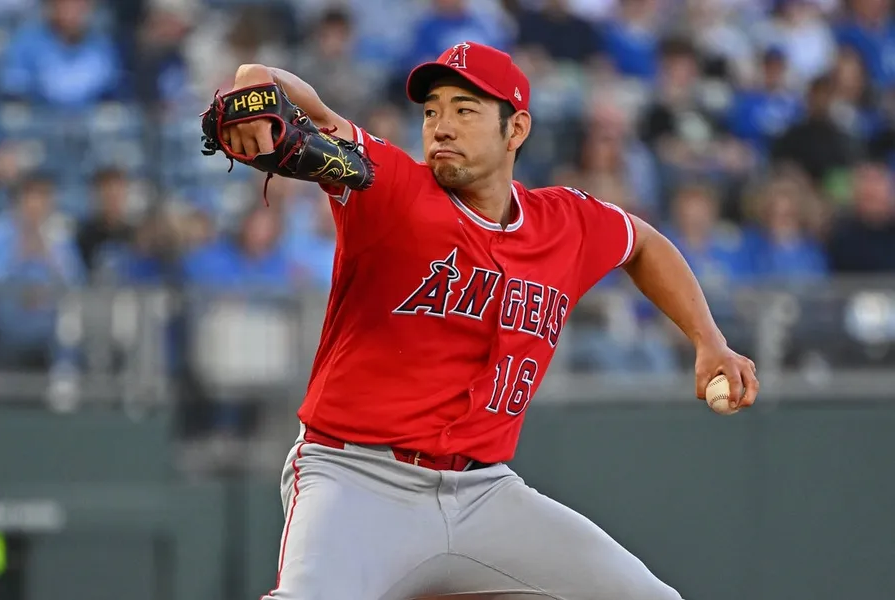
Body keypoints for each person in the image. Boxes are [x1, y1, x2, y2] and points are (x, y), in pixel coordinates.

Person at [217, 41, 759, 600]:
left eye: (465, 110)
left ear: (515, 129)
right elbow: (306, 106)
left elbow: (642, 243)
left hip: (483, 493)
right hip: (357, 479)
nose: (442, 127)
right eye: (431, 112)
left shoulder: (564, 222)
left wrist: (709, 341)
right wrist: (255, 80)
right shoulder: (391, 189)